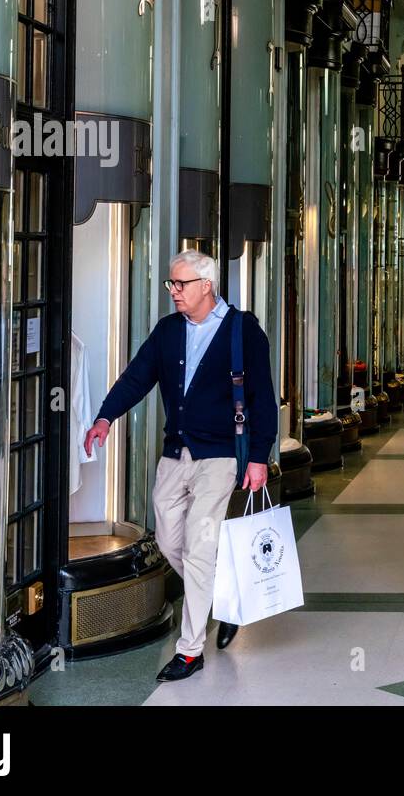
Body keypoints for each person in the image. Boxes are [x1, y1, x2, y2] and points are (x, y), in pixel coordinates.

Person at [84, 251, 277, 680]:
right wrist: (104, 416)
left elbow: (263, 398)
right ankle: (225, 596)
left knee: (201, 541)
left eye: (180, 284)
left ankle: (190, 649)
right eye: (171, 284)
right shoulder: (169, 331)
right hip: (177, 451)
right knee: (171, 538)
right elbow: (137, 376)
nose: (173, 291)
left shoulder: (243, 331)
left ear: (206, 286)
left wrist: (259, 456)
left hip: (221, 454)